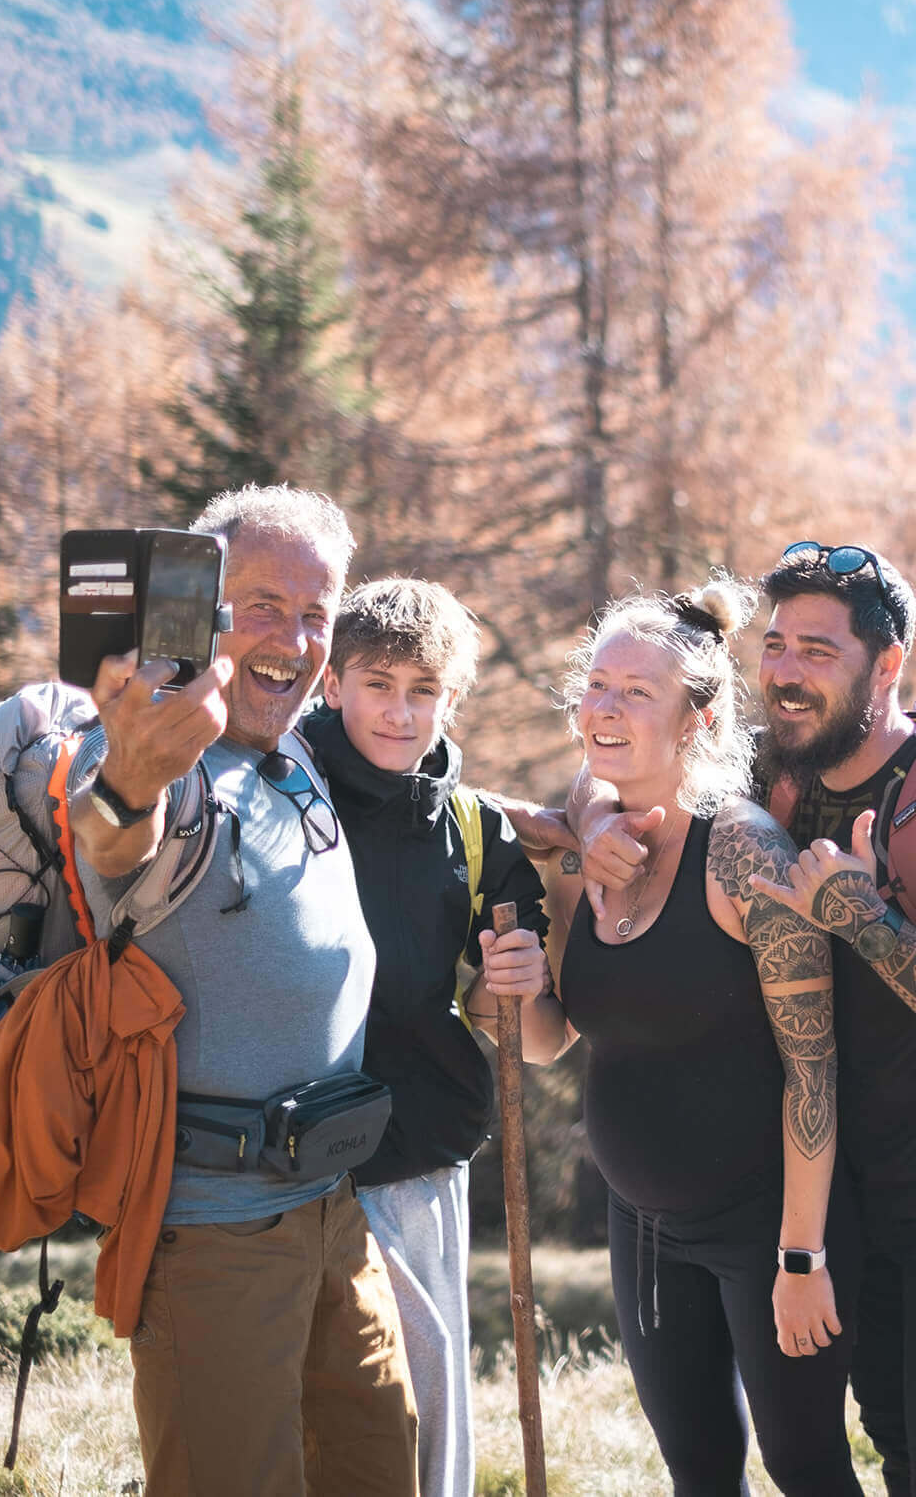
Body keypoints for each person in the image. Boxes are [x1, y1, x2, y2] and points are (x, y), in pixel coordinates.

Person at [582, 543, 916, 1497]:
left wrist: (869, 922)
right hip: (864, 1181)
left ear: (887, 667)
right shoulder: (782, 768)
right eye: (778, 645)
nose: (788, 673)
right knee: (899, 1448)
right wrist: (595, 815)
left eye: (819, 651)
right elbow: (637, 753)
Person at [72, 484, 418, 1497]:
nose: (295, 637)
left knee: (377, 1469)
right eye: (262, 604)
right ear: (200, 608)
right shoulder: (163, 757)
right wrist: (126, 779)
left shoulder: (295, 747)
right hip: (214, 1229)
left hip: (330, 1212)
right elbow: (107, 839)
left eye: (316, 614)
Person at [501, 580, 863, 1497]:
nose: (606, 709)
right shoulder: (590, 851)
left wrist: (802, 1257)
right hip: (643, 1227)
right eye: (597, 684)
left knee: (807, 1468)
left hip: (766, 1227)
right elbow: (549, 1038)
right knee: (699, 1471)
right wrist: (499, 989)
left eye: (638, 692)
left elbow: (811, 1072)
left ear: (697, 719)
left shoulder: (744, 856)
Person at [303, 577, 552, 1497]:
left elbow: (502, 1013)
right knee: (304, 1415)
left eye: (424, 691)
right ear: (332, 682)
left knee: (424, 1398)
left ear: (452, 698)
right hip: (277, 1162)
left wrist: (509, 983)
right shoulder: (279, 795)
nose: (400, 712)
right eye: (378, 683)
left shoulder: (475, 827)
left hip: (414, 1159)